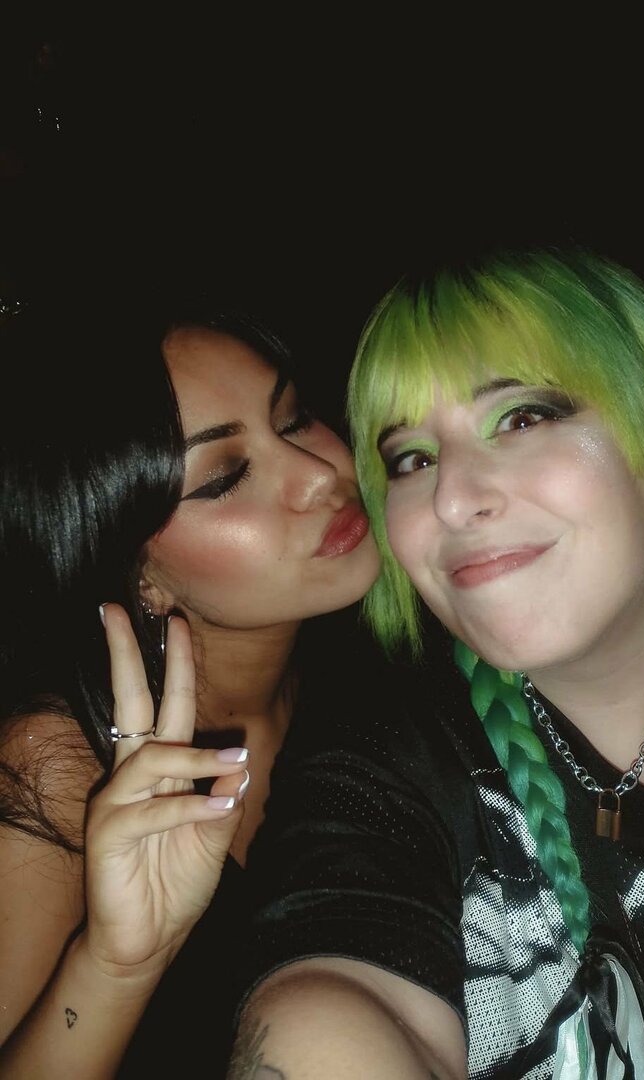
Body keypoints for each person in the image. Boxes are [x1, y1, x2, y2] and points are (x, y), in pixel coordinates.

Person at [227, 245, 644, 1079]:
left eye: (522, 418)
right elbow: (328, 998)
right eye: (411, 460)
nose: (451, 499)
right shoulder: (385, 760)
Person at [0, 288, 381, 1078]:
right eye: (226, 476)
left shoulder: (372, 663)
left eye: (294, 419)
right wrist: (115, 967)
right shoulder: (59, 765)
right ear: (138, 574)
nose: (318, 474)